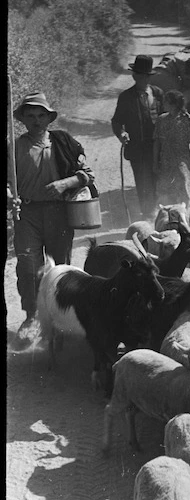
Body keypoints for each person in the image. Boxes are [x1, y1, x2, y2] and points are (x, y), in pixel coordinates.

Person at [10, 92, 96, 347]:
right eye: (31, 116)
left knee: (60, 269)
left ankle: (61, 319)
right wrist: (8, 196)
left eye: (41, 116)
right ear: (22, 119)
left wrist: (63, 183)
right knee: (27, 266)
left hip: (59, 213)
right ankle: (31, 317)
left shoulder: (63, 143)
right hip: (27, 214)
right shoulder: (14, 148)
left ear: (49, 118)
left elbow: (87, 175)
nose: (36, 121)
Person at [111, 55, 165, 219]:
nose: (141, 79)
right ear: (134, 75)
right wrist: (121, 134)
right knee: (143, 181)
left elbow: (165, 116)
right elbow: (117, 121)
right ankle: (148, 214)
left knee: (158, 179)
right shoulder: (126, 97)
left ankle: (159, 211)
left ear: (149, 77)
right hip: (137, 148)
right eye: (138, 75)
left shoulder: (158, 94)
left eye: (145, 76)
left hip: (157, 147)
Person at [153, 90, 190, 207]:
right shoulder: (161, 120)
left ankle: (185, 215)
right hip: (165, 161)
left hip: (182, 162)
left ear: (173, 104)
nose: (163, 104)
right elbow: (157, 142)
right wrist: (154, 162)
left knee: (183, 186)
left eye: (166, 102)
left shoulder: (186, 121)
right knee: (166, 191)